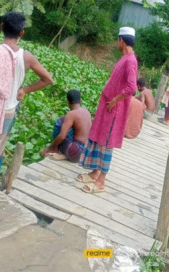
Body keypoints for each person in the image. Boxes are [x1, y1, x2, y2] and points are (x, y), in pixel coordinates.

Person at [0, 12, 53, 188]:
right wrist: (25, 89)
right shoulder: (26, 57)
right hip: (8, 110)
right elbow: (48, 79)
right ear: (21, 33)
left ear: (2, 27)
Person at [76, 27, 138, 194]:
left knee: (107, 143)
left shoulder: (130, 60)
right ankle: (95, 172)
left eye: (117, 40)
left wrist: (115, 100)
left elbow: (132, 87)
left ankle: (101, 181)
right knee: (99, 139)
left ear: (121, 40)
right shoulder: (124, 58)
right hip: (107, 107)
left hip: (114, 109)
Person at [40, 90, 92, 162]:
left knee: (61, 121)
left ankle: (55, 149)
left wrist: (49, 148)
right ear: (80, 101)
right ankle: (64, 155)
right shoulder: (86, 111)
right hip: (87, 151)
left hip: (76, 152)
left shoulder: (71, 114)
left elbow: (62, 137)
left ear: (68, 102)